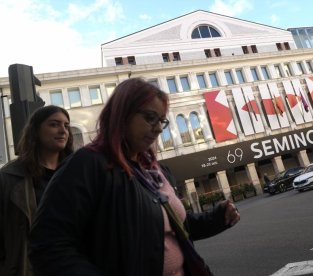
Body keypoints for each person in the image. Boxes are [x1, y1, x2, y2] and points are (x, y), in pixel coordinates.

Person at [29, 78, 240, 276]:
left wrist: (216, 218)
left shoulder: (155, 169)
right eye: (150, 118)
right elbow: (48, 246)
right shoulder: (88, 163)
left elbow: (174, 227)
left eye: (162, 121)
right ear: (122, 114)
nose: (158, 128)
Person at [0, 105, 73, 276]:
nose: (63, 130)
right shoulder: (9, 178)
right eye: (54, 124)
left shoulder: (76, 173)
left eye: (66, 126)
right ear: (36, 131)